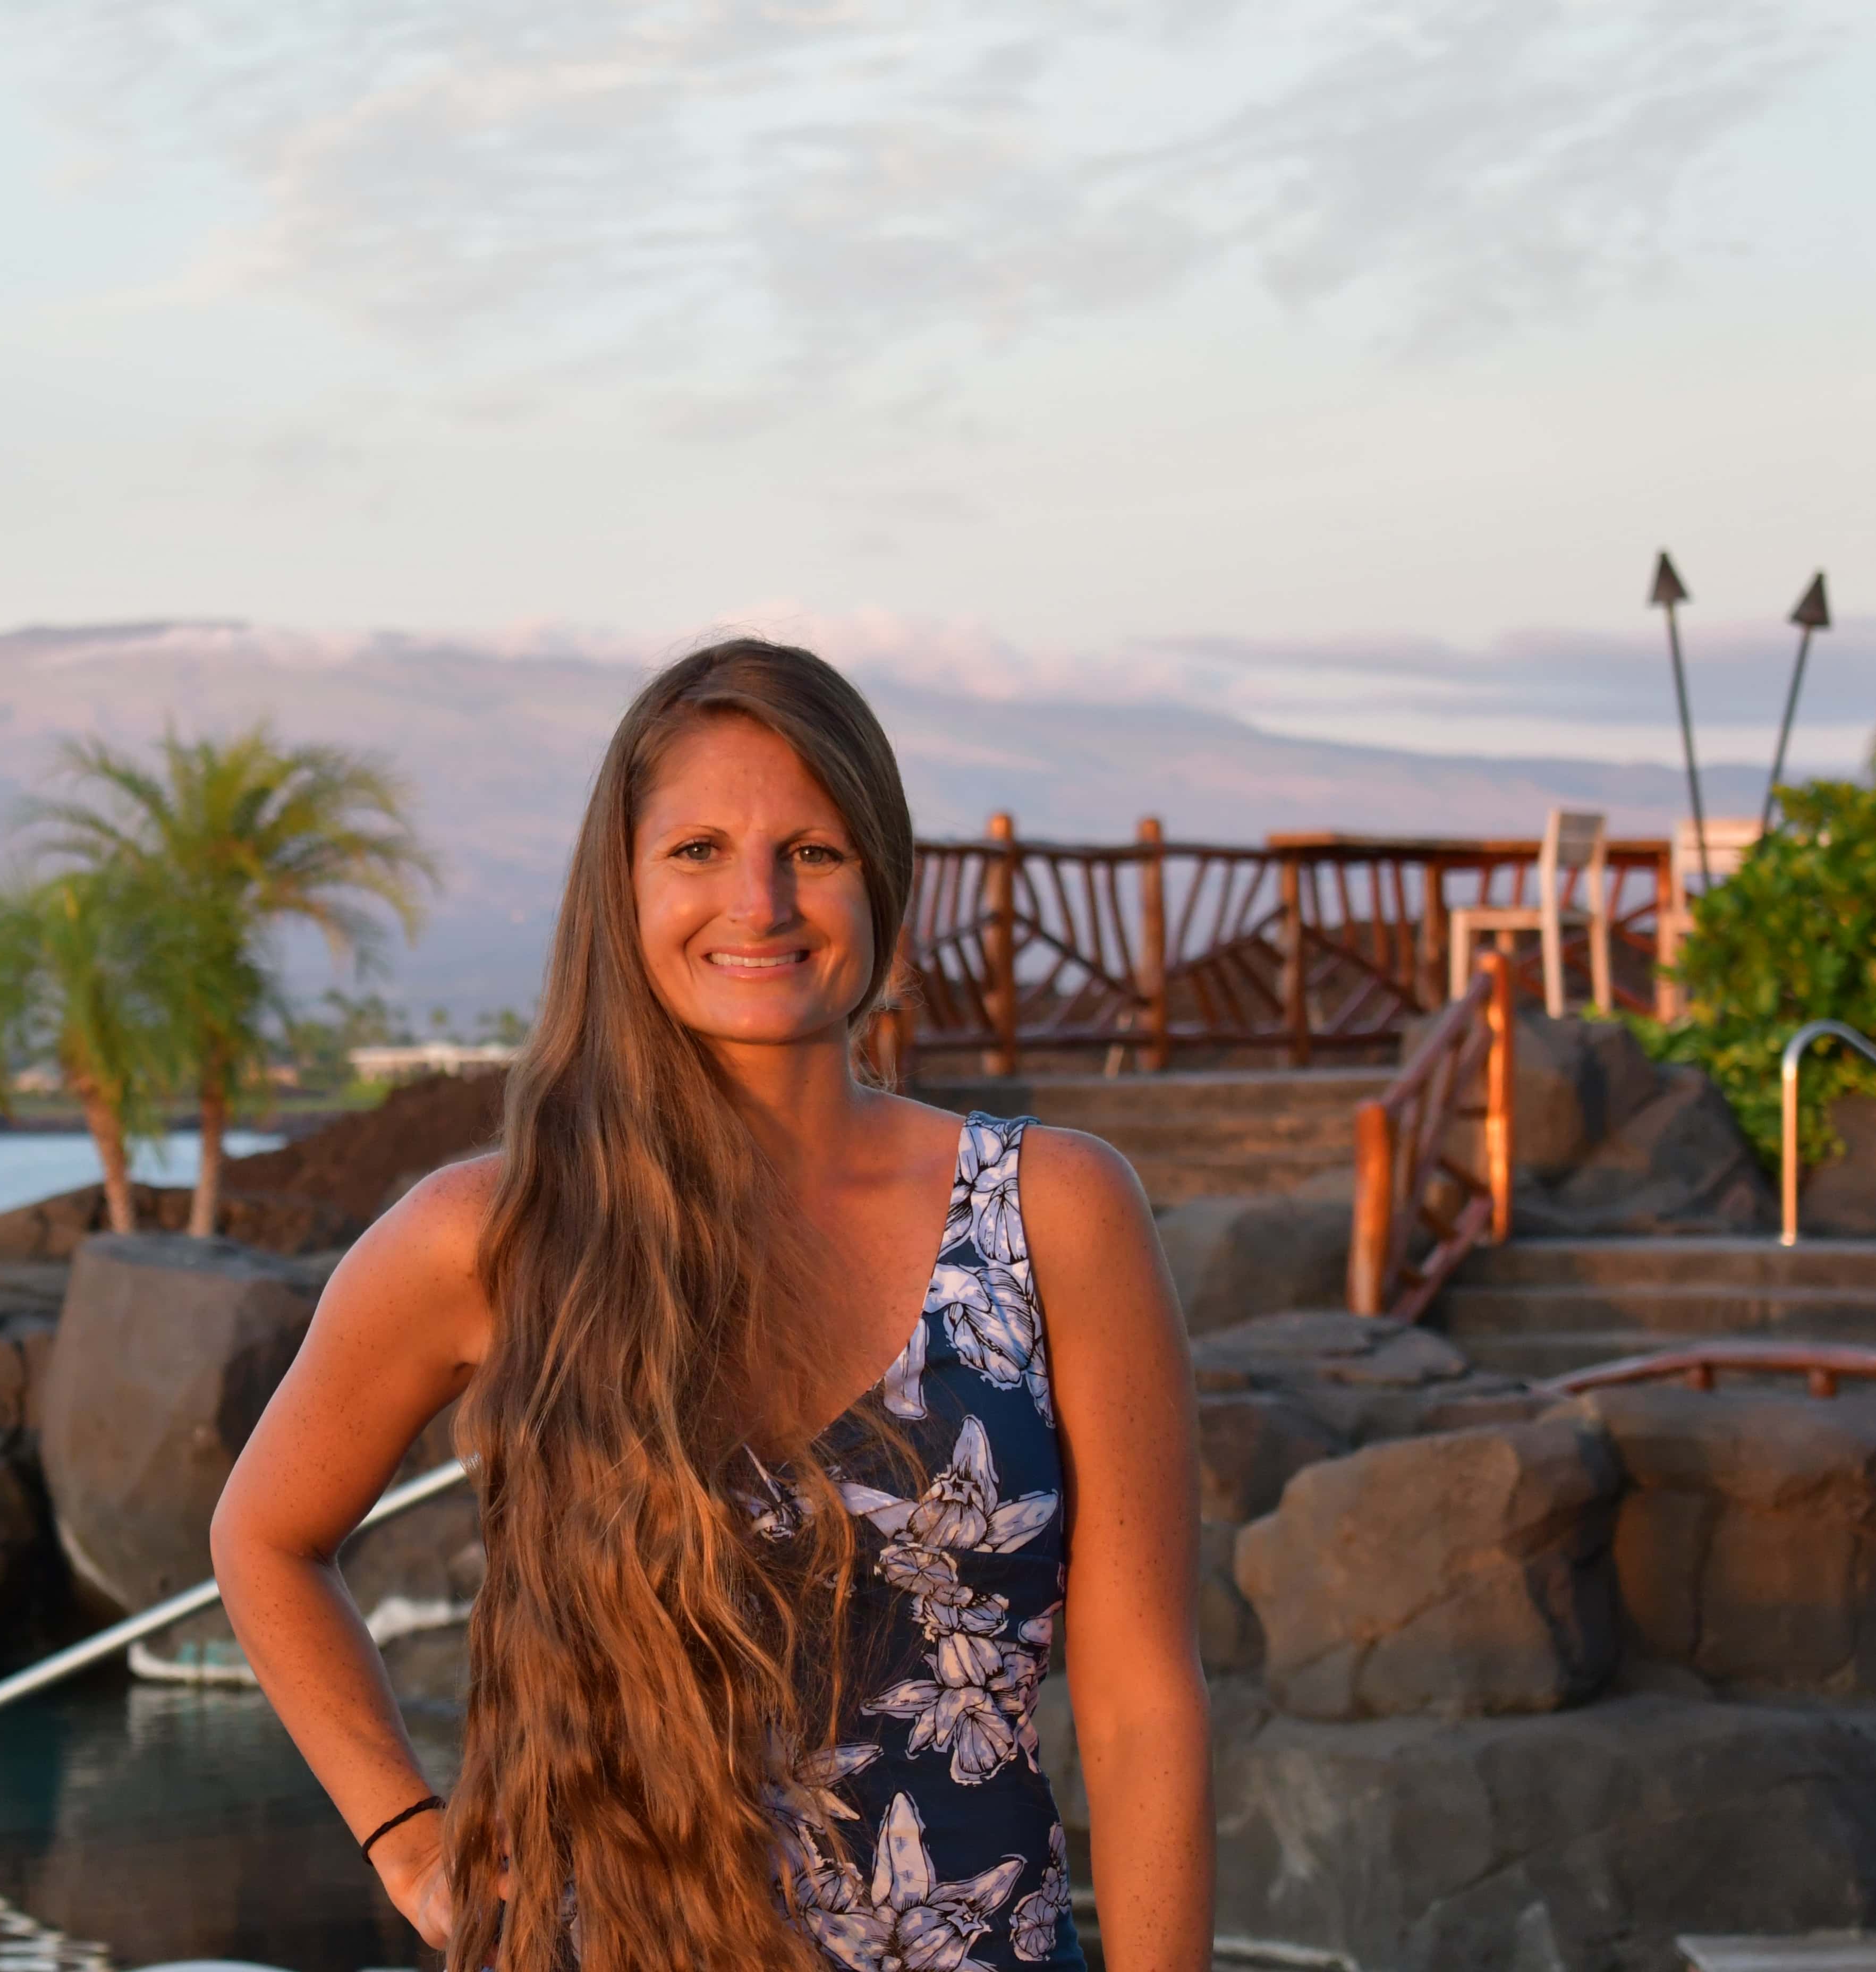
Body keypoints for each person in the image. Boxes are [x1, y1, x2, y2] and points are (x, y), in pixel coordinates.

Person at [211, 640, 1211, 1972]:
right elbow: (265, 1533)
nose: (759, 900)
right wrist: (409, 1838)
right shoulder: (497, 1235)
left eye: (812, 850)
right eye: (696, 850)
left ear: (881, 881)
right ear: (620, 890)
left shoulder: (1052, 1213)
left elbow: (1145, 1704)